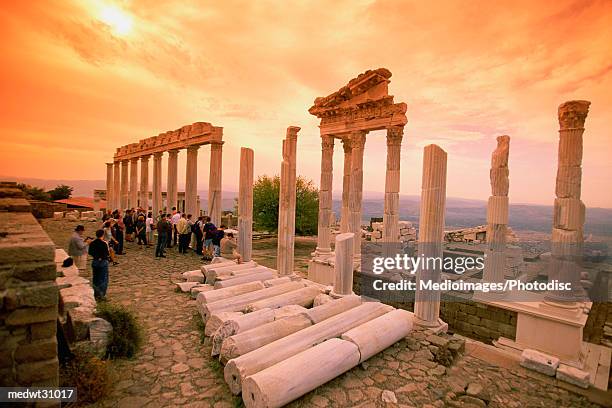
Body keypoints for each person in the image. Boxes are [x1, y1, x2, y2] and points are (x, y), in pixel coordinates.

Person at [88, 229, 110, 300]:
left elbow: (90, 252)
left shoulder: (92, 243)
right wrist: (101, 257)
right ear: (103, 235)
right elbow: (107, 253)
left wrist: (96, 256)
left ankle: (96, 293)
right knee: (103, 279)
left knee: (96, 278)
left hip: (95, 261)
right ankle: (101, 295)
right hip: (103, 262)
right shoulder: (104, 243)